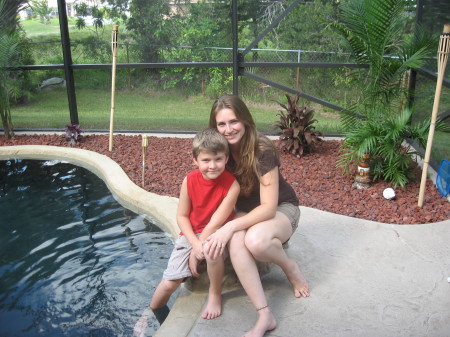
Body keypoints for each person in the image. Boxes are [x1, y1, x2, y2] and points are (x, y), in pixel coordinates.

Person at [205, 95, 309, 337]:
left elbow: (268, 208)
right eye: (221, 124)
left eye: (234, 121)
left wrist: (230, 227)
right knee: (236, 241)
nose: (228, 130)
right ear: (214, 127)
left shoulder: (261, 150)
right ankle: (265, 315)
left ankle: (289, 266)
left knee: (256, 241)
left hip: (281, 209)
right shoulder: (219, 152)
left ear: (245, 120)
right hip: (245, 212)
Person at [134, 128, 240, 336]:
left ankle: (215, 294)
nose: (212, 165)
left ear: (226, 158)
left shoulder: (232, 185)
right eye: (206, 160)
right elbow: (182, 216)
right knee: (168, 283)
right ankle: (150, 312)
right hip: (190, 235)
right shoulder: (189, 181)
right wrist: (194, 244)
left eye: (218, 159)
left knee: (212, 250)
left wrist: (200, 247)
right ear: (195, 160)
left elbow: (214, 224)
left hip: (216, 231)